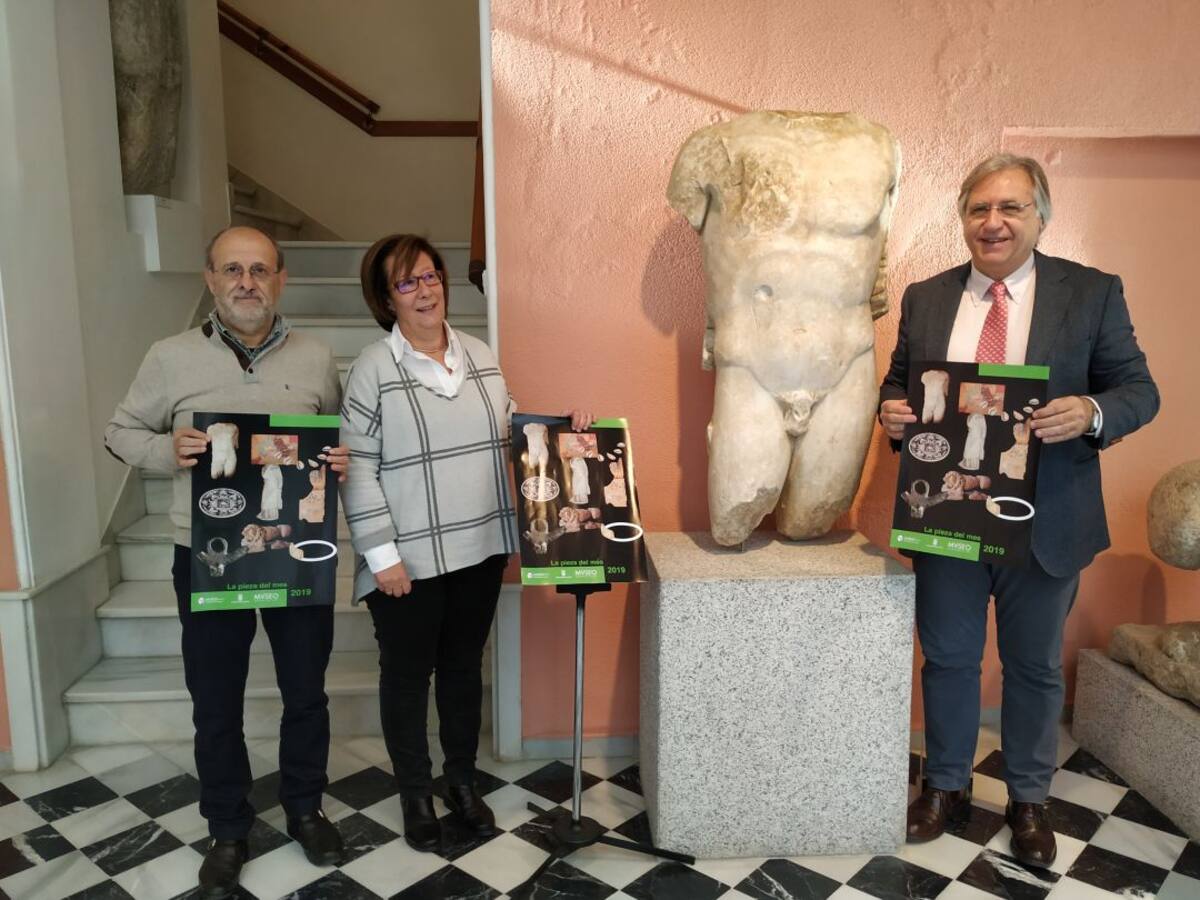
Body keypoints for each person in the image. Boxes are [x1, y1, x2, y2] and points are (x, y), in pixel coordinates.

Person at [878, 154, 1158, 867]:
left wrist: (1091, 411)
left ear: (1041, 216)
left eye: (1011, 207)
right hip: (948, 514)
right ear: (963, 219)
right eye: (979, 209)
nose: (993, 222)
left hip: (1046, 518)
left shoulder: (1091, 292)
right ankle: (945, 786)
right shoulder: (927, 297)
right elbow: (898, 384)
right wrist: (894, 413)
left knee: (1033, 667)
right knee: (947, 658)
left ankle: (1029, 799)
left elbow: (1138, 390)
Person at [105, 226, 349, 898]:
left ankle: (305, 808)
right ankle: (227, 827)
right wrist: (165, 452)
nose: (247, 282)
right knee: (216, 701)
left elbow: (334, 437)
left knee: (306, 693)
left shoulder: (317, 357)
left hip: (297, 557)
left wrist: (339, 458)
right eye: (233, 269)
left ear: (281, 280)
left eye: (260, 270)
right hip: (210, 558)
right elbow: (120, 430)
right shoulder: (169, 357)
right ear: (210, 278)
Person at [340, 234, 591, 852]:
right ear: (386, 299)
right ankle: (415, 793)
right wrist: (381, 555)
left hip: (479, 548)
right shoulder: (373, 368)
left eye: (430, 276)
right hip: (407, 560)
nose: (424, 291)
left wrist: (566, 430)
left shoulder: (478, 354)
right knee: (407, 679)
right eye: (407, 282)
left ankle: (460, 783)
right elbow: (358, 468)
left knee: (460, 671)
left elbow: (509, 426)